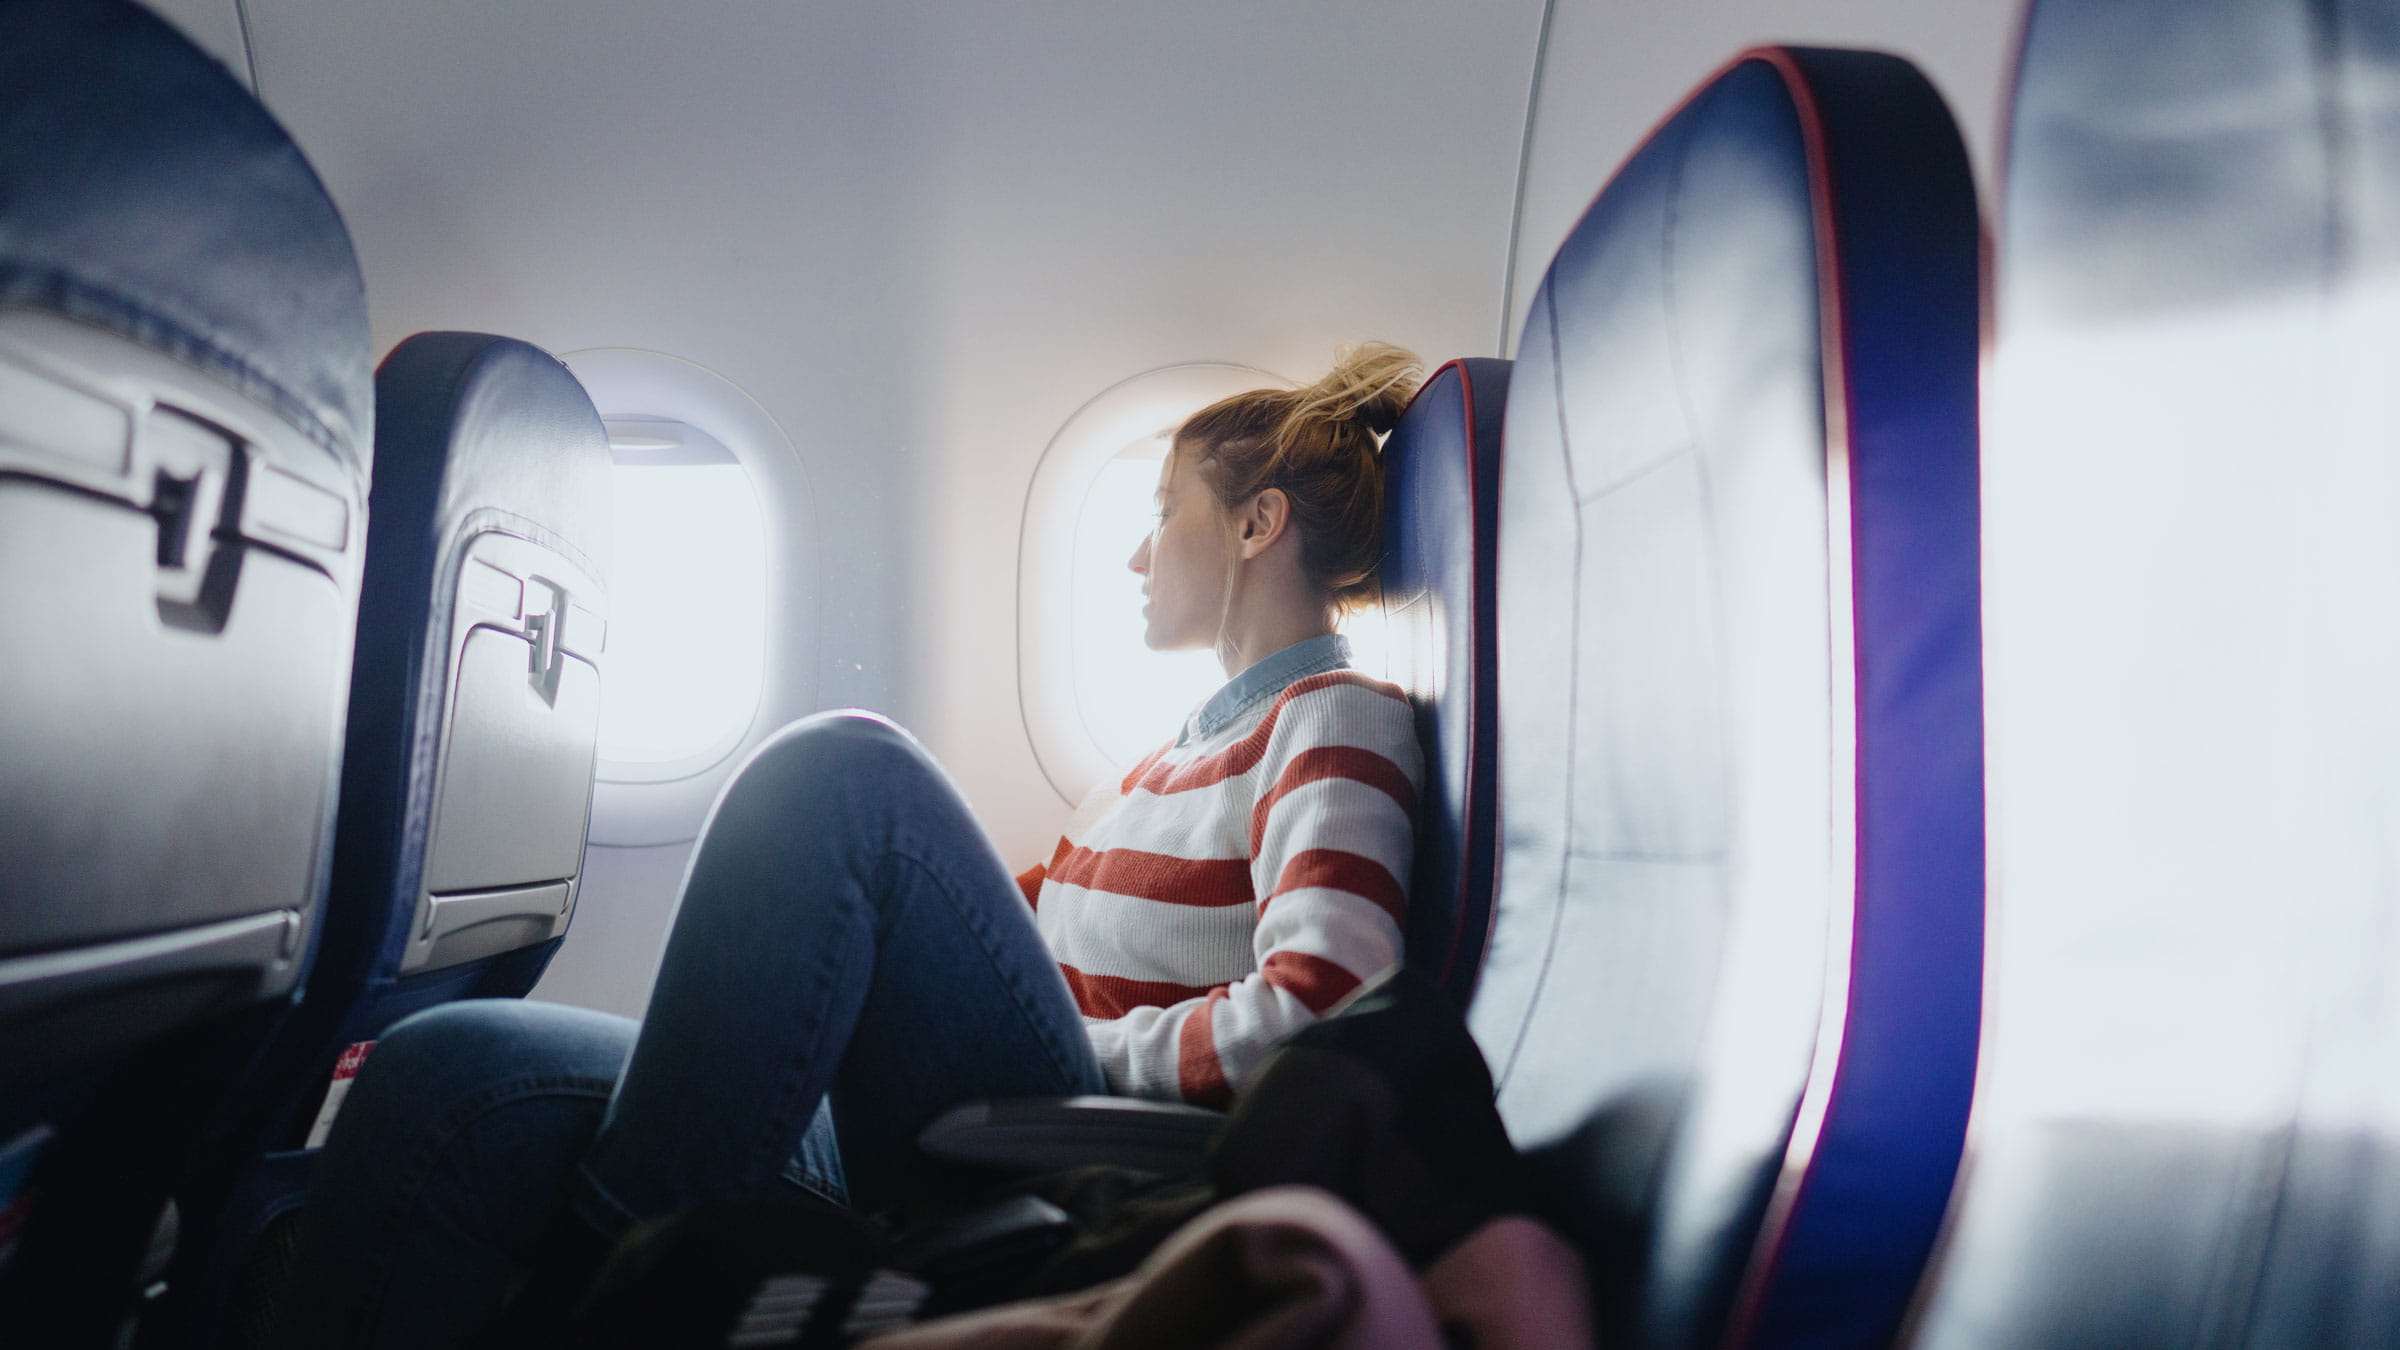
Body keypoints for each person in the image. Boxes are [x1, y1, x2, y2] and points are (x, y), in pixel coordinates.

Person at [272, 344, 1429, 1348]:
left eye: (1163, 509)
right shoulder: (1154, 761)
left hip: (1068, 1131)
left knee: (847, 782)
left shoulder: (1332, 718)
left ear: (1257, 523)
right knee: (447, 1071)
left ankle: (612, 1304)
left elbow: (1325, 1010)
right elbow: (998, 936)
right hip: (963, 1098)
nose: (1138, 556)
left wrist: (1088, 1051)